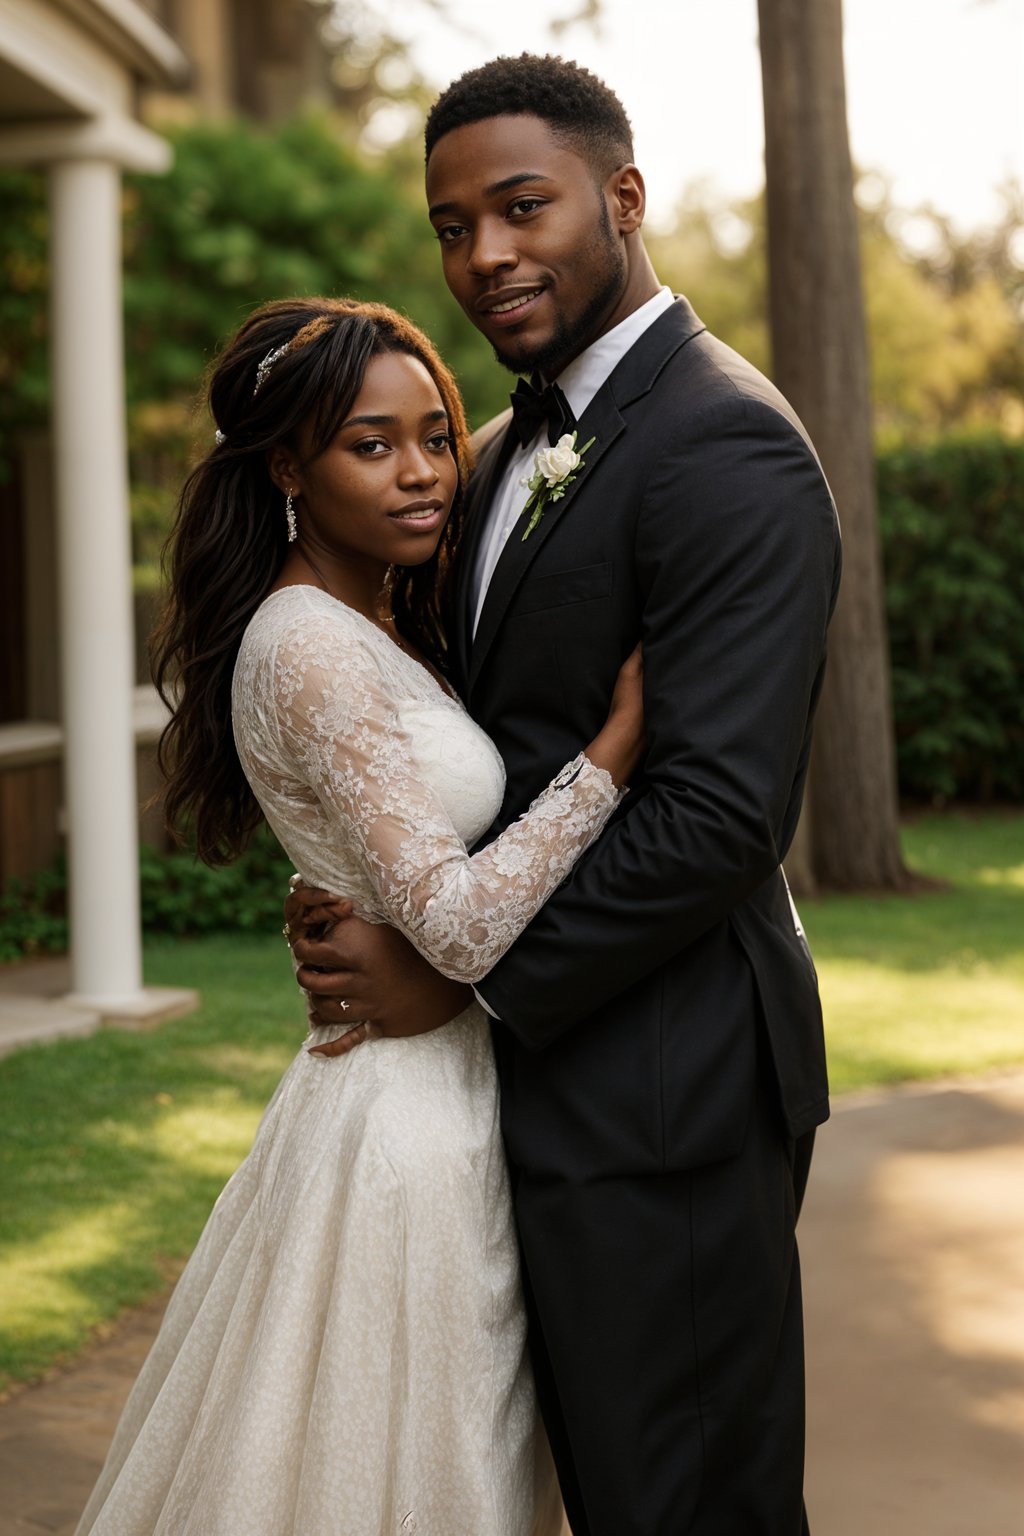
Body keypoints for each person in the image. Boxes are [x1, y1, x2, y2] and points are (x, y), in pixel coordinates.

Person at [285, 55, 843, 1536]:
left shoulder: (723, 444)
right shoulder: (494, 452)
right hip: (536, 1095)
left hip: (666, 1093)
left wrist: (455, 977)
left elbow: (717, 820)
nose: (485, 256)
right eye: (453, 227)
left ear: (625, 195)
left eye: (521, 207)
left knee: (679, 1504)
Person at [75, 295, 645, 1536]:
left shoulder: (373, 616)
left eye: (436, 437)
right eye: (369, 445)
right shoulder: (309, 646)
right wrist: (610, 755)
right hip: (405, 1132)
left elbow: (392, 859)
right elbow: (450, 924)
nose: (421, 473)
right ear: (288, 467)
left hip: (446, 1094)